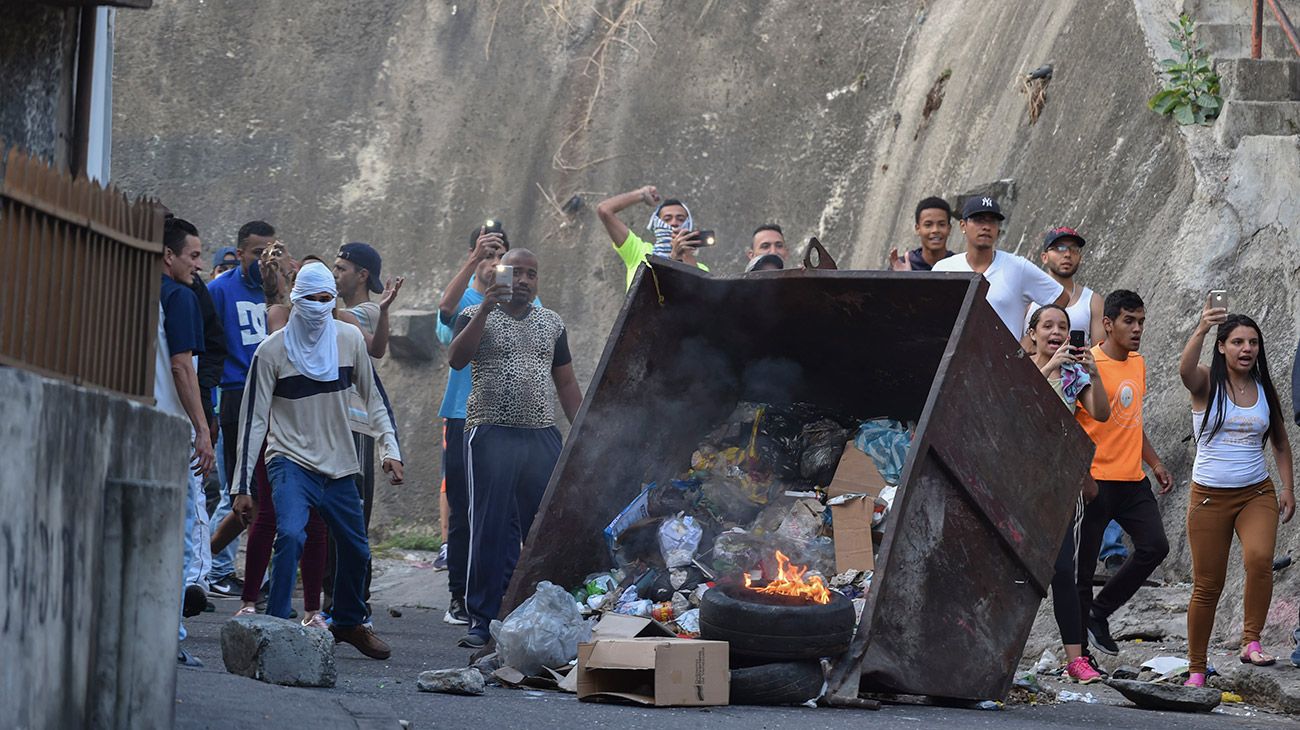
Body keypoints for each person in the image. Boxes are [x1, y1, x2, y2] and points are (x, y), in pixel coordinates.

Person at [231, 261, 402, 660]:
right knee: (290, 535)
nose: (317, 307)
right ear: (295, 301)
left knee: (357, 550)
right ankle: (273, 627)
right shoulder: (271, 350)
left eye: (326, 299)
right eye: (310, 299)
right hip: (289, 460)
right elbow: (253, 421)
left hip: (339, 464)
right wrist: (242, 485)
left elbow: (374, 399)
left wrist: (390, 449)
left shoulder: (349, 340)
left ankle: (346, 621)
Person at [448, 248, 583, 648]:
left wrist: (583, 432)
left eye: (531, 274)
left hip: (541, 435)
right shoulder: (473, 316)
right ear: (499, 275)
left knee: (543, 528)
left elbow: (567, 384)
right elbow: (456, 359)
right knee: (487, 527)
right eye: (516, 272)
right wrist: (486, 311)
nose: (523, 280)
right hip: (490, 433)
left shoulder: (551, 323)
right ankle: (481, 618)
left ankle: (547, 614)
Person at [1177, 303, 1294, 686]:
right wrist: (1200, 329)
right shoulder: (1207, 383)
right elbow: (1185, 371)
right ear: (1223, 346)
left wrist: (1287, 488)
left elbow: (1279, 442)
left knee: (1260, 559)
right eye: (1238, 342)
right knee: (1207, 585)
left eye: (1254, 342)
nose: (1247, 349)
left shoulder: (1263, 389)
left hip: (1255, 492)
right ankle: (1196, 667)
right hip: (1209, 497)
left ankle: (1251, 640)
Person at [1074, 290, 1173, 660]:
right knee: (1082, 573)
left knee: (1155, 547)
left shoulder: (1138, 364)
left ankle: (1100, 614)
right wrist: (1082, 476)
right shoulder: (1087, 364)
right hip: (1096, 482)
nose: (1137, 329)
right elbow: (1071, 425)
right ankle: (1079, 656)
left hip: (1133, 480)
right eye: (1129, 321)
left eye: (1141, 322)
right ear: (1107, 324)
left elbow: (1132, 422)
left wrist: (1156, 462)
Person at [434, 225, 513, 626]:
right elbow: (445, 313)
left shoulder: (517, 301)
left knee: (502, 511)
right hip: (463, 416)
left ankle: (497, 592)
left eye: (499, 255)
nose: (491, 263)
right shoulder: (464, 297)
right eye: (485, 255)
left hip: (506, 418)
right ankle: (458, 597)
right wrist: (471, 259)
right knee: (464, 510)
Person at [1027, 304, 1110, 683]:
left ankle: (1075, 659)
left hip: (1060, 483)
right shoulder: (1021, 366)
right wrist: (1048, 369)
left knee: (1064, 571)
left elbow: (1102, 414)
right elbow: (1019, 403)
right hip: (1018, 481)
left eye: (1063, 326)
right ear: (1033, 333)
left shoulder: (1075, 373)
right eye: (1048, 325)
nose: (1057, 332)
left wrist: (1093, 373)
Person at [327, 242, 404, 616]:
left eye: (341, 268)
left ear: (362, 275)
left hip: (355, 423)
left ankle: (357, 598)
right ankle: (334, 596)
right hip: (333, 418)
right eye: (333, 267)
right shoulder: (335, 310)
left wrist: (307, 293)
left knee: (353, 510)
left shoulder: (368, 311)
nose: (335, 273)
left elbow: (371, 347)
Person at [156, 215, 216, 666]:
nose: (199, 265)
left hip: (138, 422)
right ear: (168, 255)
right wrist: (201, 429)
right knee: (188, 536)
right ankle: (171, 634)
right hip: (172, 428)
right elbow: (182, 367)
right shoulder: (180, 297)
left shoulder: (137, 292)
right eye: (193, 256)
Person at [206, 220, 276, 598]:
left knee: (269, 490)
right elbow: (209, 349)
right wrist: (211, 407)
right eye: (256, 253)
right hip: (236, 393)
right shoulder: (219, 290)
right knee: (240, 490)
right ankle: (212, 567)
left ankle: (254, 573)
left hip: (276, 398)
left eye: (270, 252)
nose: (263, 260)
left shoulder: (277, 292)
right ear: (240, 254)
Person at [931, 197, 1068, 336]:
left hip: (1003, 356)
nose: (986, 227)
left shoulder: (1017, 267)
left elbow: (1059, 297)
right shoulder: (944, 268)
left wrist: (1030, 339)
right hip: (955, 356)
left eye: (992, 221)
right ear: (963, 225)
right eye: (979, 220)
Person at [596, 185, 710, 290]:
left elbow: (698, 300)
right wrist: (641, 194)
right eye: (667, 219)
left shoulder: (701, 269)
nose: (674, 223)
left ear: (688, 225)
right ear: (656, 223)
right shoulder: (639, 252)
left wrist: (685, 256)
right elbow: (604, 210)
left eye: (680, 219)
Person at [1021, 227, 1106, 350]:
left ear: (1080, 258)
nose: (1067, 254)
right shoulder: (1027, 299)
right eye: (1060, 248)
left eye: (1074, 249)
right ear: (1044, 257)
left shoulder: (1093, 302)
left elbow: (1099, 356)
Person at [889, 196, 956, 271]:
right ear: (918, 229)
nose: (935, 230)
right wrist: (904, 278)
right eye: (928, 225)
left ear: (949, 229)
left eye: (941, 224)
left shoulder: (958, 265)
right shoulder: (902, 265)